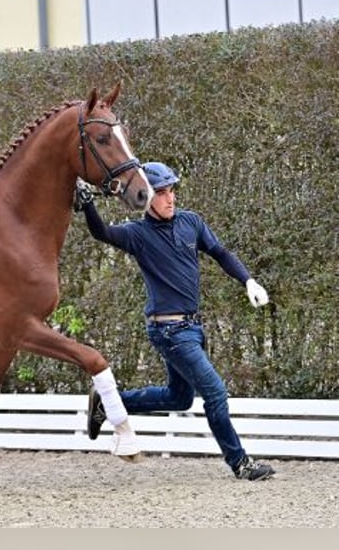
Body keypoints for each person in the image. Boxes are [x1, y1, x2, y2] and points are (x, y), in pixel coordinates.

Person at [75, 161, 276, 481]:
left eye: (172, 191)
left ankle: (109, 402)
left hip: (193, 327)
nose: (170, 198)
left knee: (179, 397)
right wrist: (87, 205)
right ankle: (240, 463)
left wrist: (248, 280)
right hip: (168, 330)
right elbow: (101, 232)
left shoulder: (191, 222)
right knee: (215, 392)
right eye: (162, 192)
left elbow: (220, 252)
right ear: (147, 197)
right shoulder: (137, 234)